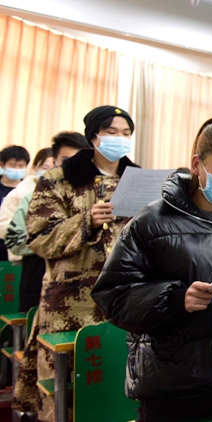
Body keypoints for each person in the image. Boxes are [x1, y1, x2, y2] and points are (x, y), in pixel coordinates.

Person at [92, 120, 212, 421]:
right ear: (197, 165)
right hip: (174, 389)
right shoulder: (152, 222)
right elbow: (114, 296)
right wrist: (174, 300)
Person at [13, 106, 139, 421]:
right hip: (70, 304)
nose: (120, 139)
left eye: (126, 133)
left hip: (124, 299)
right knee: (66, 390)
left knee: (118, 385)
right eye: (112, 132)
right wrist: (86, 221)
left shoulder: (137, 180)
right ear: (94, 136)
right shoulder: (58, 179)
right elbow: (39, 238)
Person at [5, 133, 89, 313]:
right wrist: (54, 242)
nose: (73, 164)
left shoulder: (95, 197)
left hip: (83, 285)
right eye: (66, 160)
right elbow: (13, 240)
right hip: (39, 278)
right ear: (55, 161)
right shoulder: (33, 197)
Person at [0, 148, 54, 262]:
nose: (50, 171)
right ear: (35, 167)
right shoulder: (20, 193)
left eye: (54, 167)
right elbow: (3, 225)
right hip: (24, 255)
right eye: (45, 167)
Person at [0, 145, 30, 261]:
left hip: (19, 249)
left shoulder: (28, 189)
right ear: (2, 164)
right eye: (13, 165)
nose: (17, 169)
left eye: (21, 166)